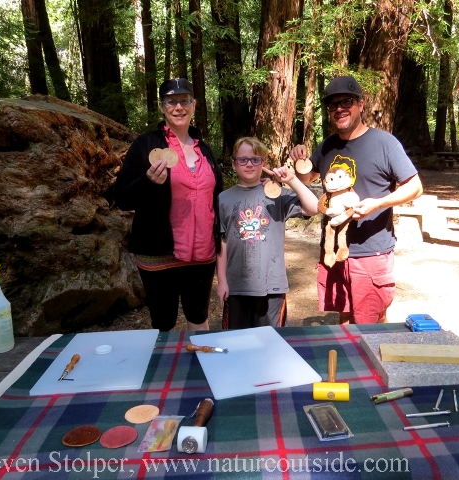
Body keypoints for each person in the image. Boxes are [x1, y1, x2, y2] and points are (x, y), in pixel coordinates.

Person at [290, 76, 423, 325]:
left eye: (346, 101)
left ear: (360, 104)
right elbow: (308, 177)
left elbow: (415, 187)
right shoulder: (328, 145)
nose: (340, 109)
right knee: (344, 318)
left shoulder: (384, 143)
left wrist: (378, 203)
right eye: (333, 105)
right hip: (335, 251)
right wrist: (299, 160)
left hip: (370, 251)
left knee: (371, 324)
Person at [114, 78, 223, 332]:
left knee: (198, 317)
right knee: (164, 323)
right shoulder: (146, 145)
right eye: (171, 101)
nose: (178, 107)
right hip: (157, 252)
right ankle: (164, 371)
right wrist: (148, 182)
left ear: (194, 105)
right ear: (162, 107)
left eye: (184, 100)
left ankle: (200, 370)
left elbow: (217, 196)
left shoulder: (203, 149)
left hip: (202, 253)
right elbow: (121, 198)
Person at [217, 137, 319, 329]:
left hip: (272, 286)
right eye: (242, 159)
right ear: (233, 163)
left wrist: (292, 180)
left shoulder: (278, 195)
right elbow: (221, 242)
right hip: (236, 286)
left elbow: (314, 207)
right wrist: (222, 281)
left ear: (264, 163)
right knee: (236, 340)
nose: (249, 164)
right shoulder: (223, 198)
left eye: (256, 159)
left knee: (272, 342)